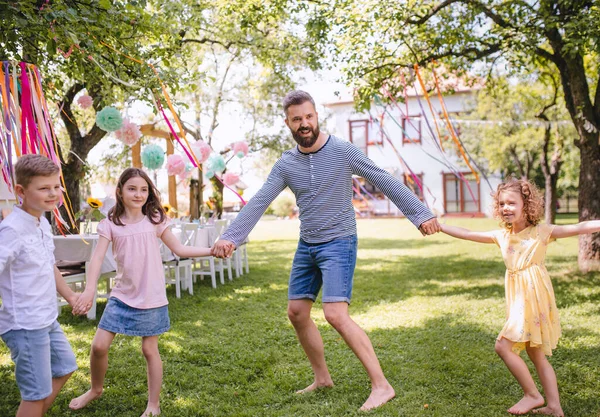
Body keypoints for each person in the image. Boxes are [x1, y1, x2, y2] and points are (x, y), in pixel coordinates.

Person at [212, 90, 441, 411]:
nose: (304, 124)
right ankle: (322, 378)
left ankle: (382, 385)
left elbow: (384, 179)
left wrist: (420, 214)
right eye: (297, 119)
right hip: (308, 245)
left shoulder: (343, 151)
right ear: (288, 123)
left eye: (309, 116)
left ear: (316, 115)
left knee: (335, 314)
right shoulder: (286, 164)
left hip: (339, 242)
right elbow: (260, 200)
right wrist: (231, 237)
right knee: (297, 312)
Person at [440, 178, 600, 417]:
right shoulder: (501, 236)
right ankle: (555, 407)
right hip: (518, 297)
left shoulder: (541, 232)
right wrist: (440, 226)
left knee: (503, 345)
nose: (506, 208)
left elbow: (580, 227)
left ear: (527, 204)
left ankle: (533, 395)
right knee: (535, 353)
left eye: (512, 203)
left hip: (533, 298)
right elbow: (467, 233)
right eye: (502, 203)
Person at [69, 168, 213, 417]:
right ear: (120, 192)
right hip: (122, 296)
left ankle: (153, 404)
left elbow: (180, 249)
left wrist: (212, 250)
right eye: (132, 189)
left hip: (152, 297)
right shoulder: (110, 224)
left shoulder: (155, 219)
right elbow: (96, 259)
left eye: (144, 189)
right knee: (99, 346)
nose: (138, 194)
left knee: (149, 350)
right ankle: (95, 388)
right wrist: (89, 289)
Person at [0, 154, 82, 417]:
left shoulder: (43, 222)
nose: (53, 194)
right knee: (36, 394)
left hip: (47, 319)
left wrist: (70, 296)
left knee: (66, 366)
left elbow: (49, 266)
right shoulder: (11, 230)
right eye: (44, 188)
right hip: (24, 324)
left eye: (56, 186)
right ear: (21, 191)